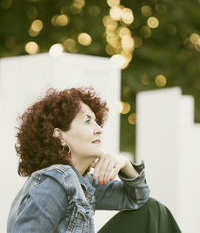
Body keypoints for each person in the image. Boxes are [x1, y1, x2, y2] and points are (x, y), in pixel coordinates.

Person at [7, 86, 181, 233]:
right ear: (59, 136)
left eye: (97, 122)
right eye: (87, 121)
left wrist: (125, 164)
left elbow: (138, 198)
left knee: (151, 209)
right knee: (153, 210)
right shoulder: (56, 181)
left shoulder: (80, 183)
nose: (99, 129)